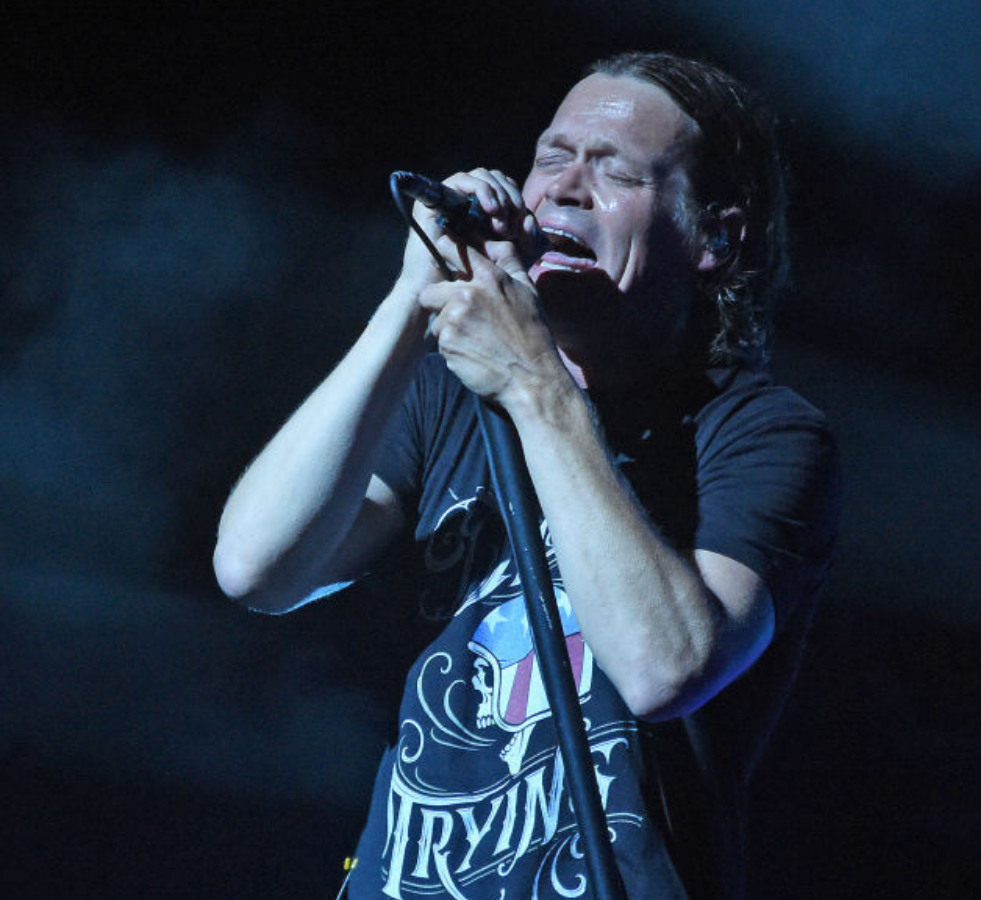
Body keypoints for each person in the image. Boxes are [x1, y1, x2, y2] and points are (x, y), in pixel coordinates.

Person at [213, 51, 839, 899]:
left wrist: (535, 384)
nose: (564, 190)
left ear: (714, 237)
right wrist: (410, 300)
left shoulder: (762, 434)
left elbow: (666, 668)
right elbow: (256, 566)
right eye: (551, 158)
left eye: (614, 172)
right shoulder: (450, 401)